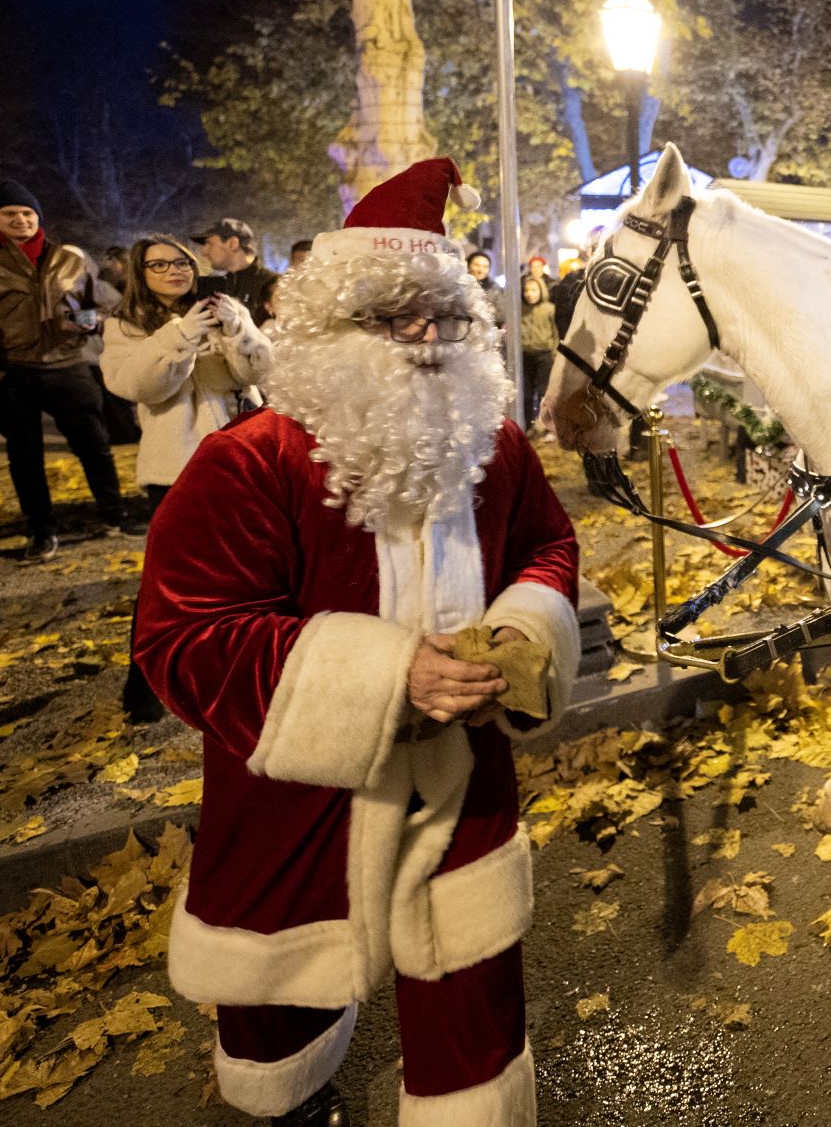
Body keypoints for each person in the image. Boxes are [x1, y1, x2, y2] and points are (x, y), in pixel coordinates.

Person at [132, 158, 579, 1126]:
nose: (426, 340)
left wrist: (522, 624)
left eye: (447, 317)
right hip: (293, 790)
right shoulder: (247, 460)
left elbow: (546, 542)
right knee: (276, 996)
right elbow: (185, 635)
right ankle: (282, 1098)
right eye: (391, 316)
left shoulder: (493, 442)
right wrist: (387, 675)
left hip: (463, 773)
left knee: (471, 995)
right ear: (327, 329)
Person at [0, 180, 136, 559]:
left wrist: (86, 322)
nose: (21, 219)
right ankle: (42, 532)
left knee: (95, 447)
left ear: (38, 217)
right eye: (10, 213)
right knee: (25, 456)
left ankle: (115, 517)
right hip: (12, 373)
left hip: (69, 366)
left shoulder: (68, 261)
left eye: (28, 213)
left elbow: (94, 305)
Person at [102, 236, 272, 521]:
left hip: (244, 446)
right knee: (192, 551)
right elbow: (138, 388)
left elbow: (262, 373)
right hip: (176, 461)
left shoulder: (224, 308)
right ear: (140, 272)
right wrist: (179, 337)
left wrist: (238, 329)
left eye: (182, 263)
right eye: (159, 265)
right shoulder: (125, 324)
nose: (174, 271)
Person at [191, 218, 281, 328]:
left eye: (210, 244)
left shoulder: (273, 284)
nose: (203, 252)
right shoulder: (214, 284)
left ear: (232, 243)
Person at [518, 272, 557, 433]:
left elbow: (555, 333)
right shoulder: (519, 309)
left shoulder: (549, 309)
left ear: (541, 290)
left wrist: (554, 353)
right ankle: (527, 425)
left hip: (544, 355)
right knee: (526, 393)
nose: (529, 294)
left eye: (534, 290)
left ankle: (547, 427)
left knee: (544, 392)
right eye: (526, 290)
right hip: (525, 355)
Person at [467, 249, 508, 326]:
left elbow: (502, 316)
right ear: (469, 266)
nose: (481, 270)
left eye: (485, 266)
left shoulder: (496, 289)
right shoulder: (460, 287)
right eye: (477, 265)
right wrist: (489, 309)